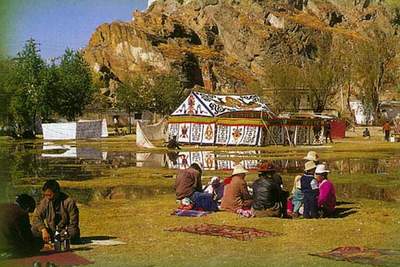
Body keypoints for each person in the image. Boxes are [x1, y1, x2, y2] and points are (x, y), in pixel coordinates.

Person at [32, 180, 80, 245]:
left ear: (57, 192)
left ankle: (61, 240)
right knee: (34, 230)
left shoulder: (69, 202)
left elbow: (73, 223)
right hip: (51, 232)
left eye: (49, 195)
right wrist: (43, 230)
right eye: (45, 195)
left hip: (65, 232)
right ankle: (54, 239)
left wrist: (65, 233)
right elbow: (37, 217)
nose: (47, 197)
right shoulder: (45, 201)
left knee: (73, 233)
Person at [0, 194, 42, 258]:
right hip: (8, 250)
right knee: (38, 242)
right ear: (27, 209)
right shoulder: (21, 213)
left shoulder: (2, 206)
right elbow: (28, 238)